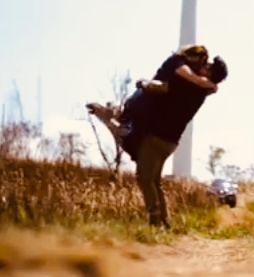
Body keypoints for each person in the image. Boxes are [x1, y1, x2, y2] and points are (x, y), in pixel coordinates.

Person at [85, 45, 228, 227]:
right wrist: (212, 85)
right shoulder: (202, 90)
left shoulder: (183, 75)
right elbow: (199, 84)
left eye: (207, 66)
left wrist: (144, 83)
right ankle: (164, 222)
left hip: (156, 137)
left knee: (144, 178)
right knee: (154, 180)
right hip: (170, 140)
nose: (204, 65)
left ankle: (154, 221)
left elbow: (165, 86)